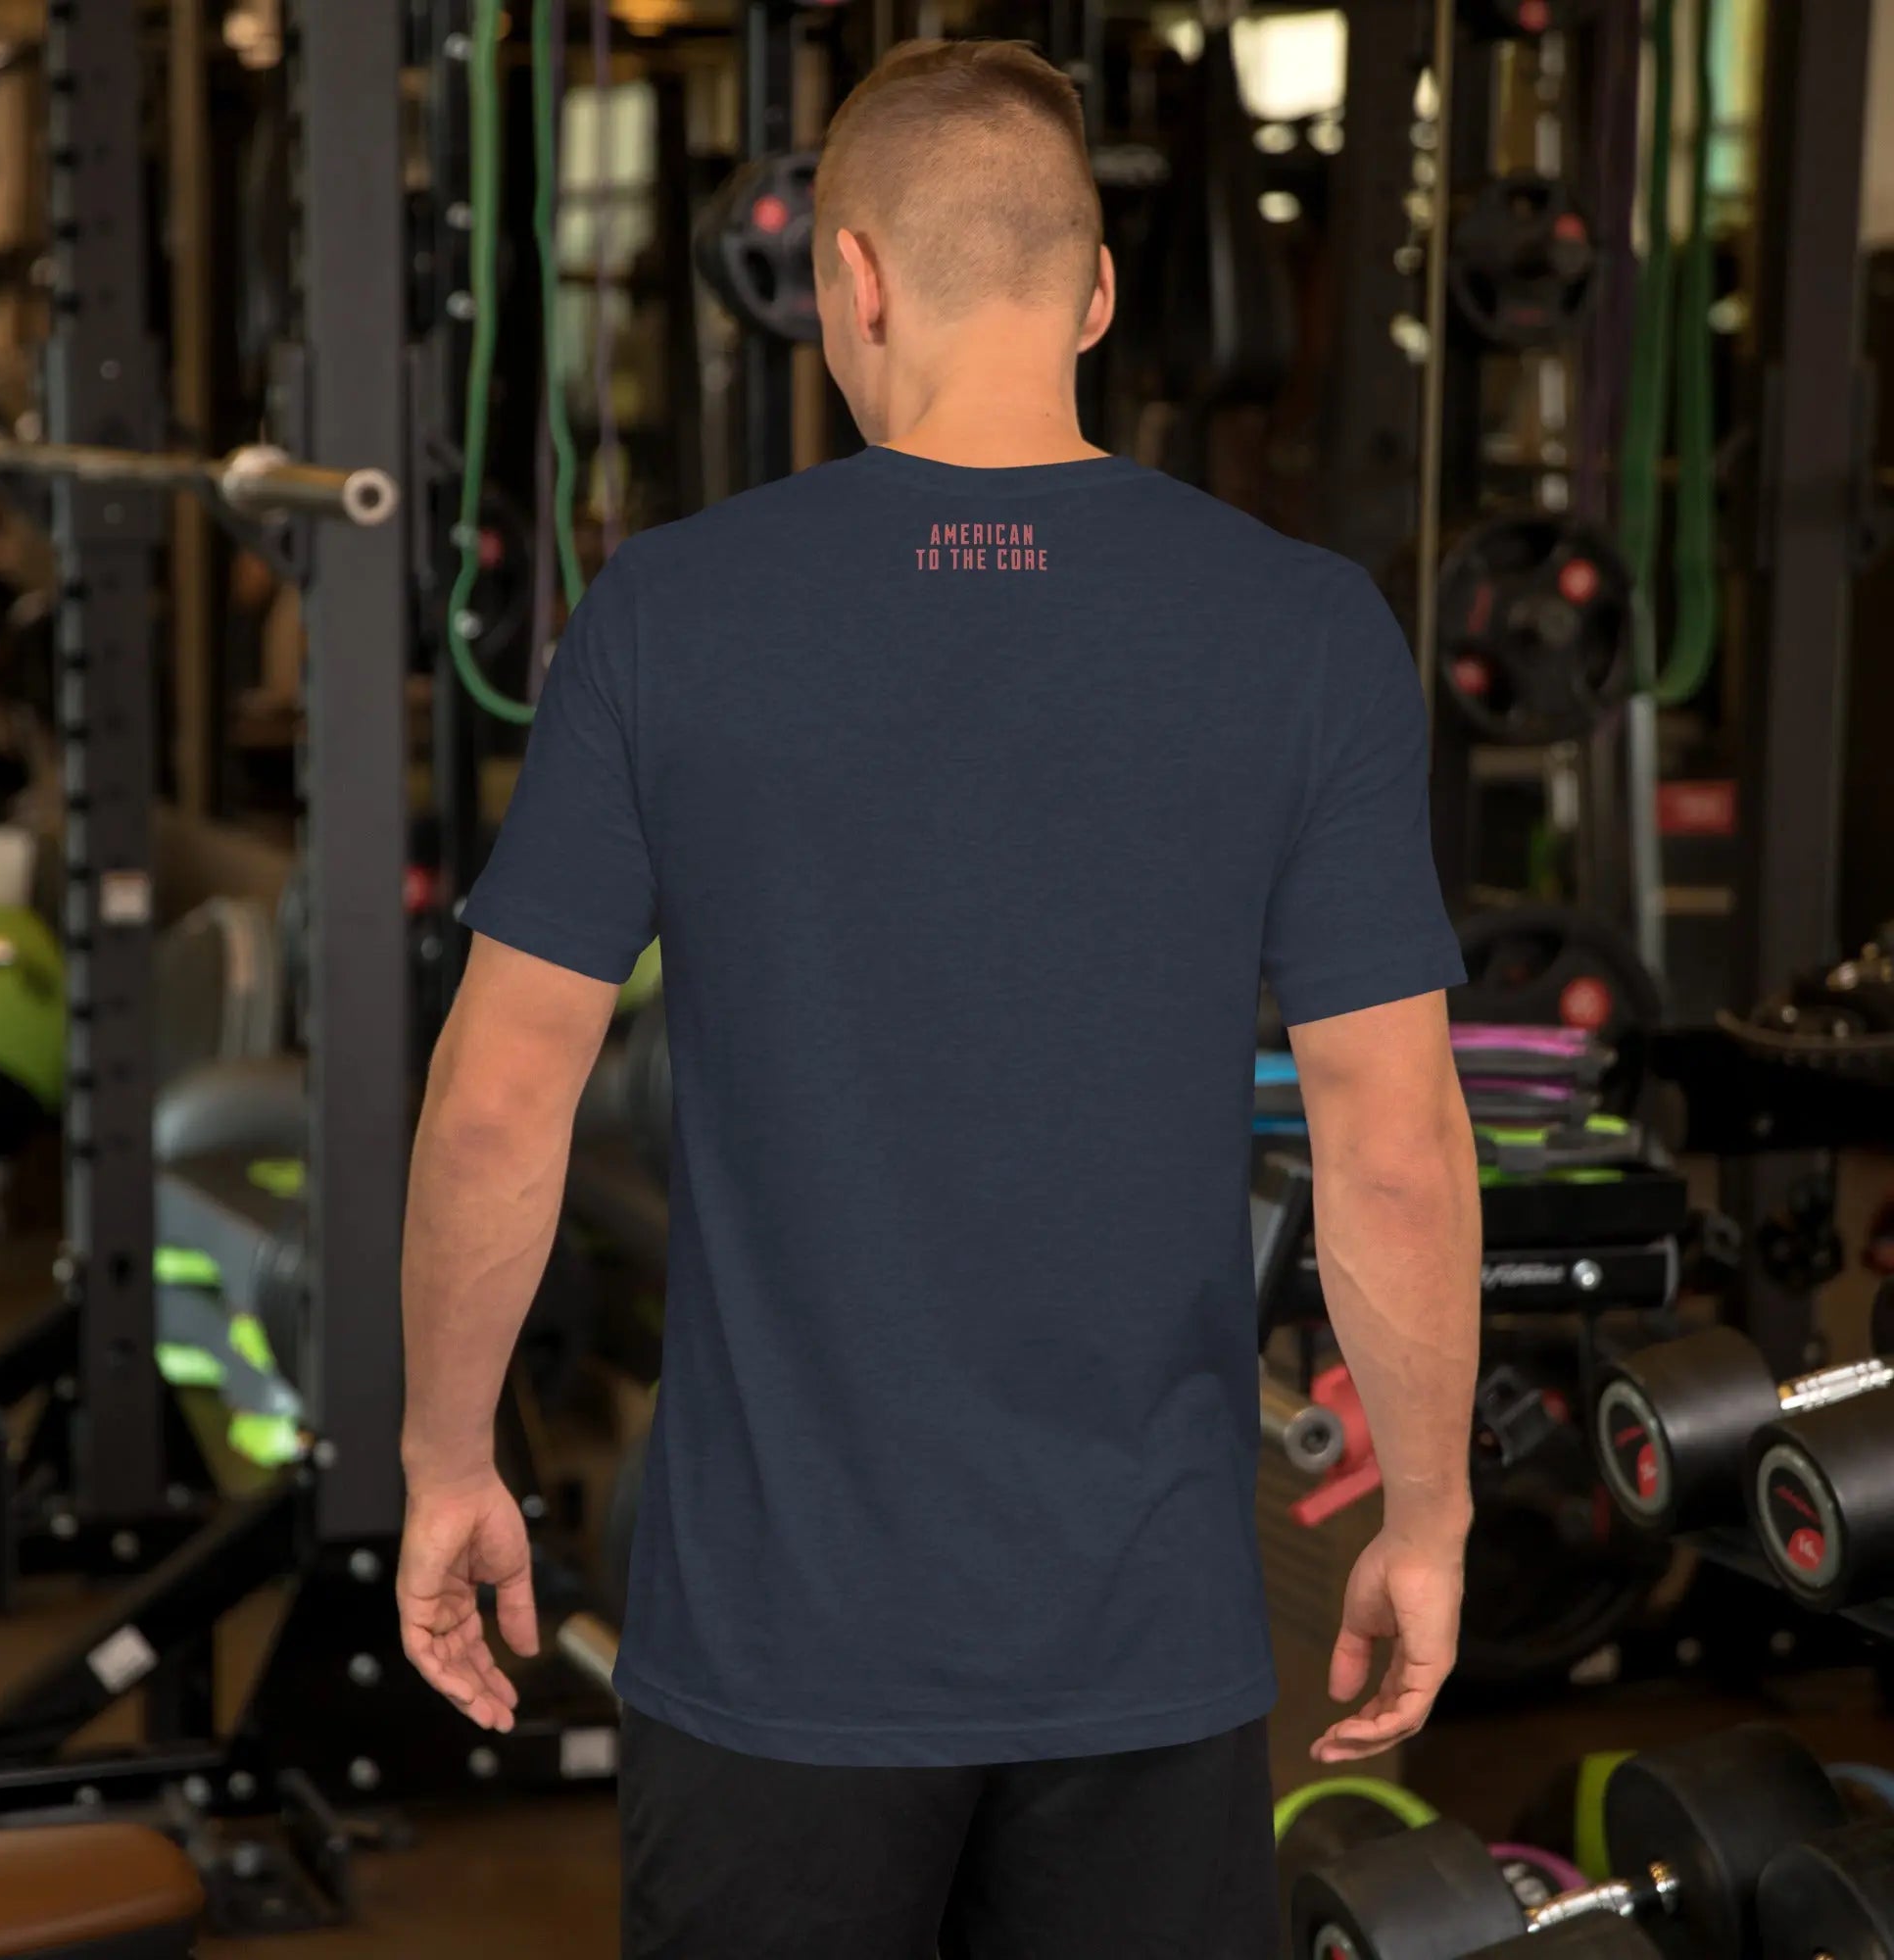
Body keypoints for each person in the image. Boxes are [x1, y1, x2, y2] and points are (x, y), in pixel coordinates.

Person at [398, 37, 1480, 1960]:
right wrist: (1432, 1515)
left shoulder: (668, 613)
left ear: (852, 278)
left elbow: (497, 1103)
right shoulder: (1304, 627)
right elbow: (1387, 1140)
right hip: (1142, 1644)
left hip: (776, 1651)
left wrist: (446, 1462)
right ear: (1099, 293)